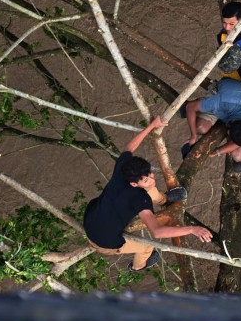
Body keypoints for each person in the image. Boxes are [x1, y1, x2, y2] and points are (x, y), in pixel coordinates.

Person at [83, 116, 213, 272]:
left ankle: (164, 199)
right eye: (146, 180)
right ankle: (137, 266)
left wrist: (152, 126)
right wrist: (192, 229)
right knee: (147, 247)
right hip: (103, 242)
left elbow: (129, 148)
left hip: (90, 219)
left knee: (152, 191)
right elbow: (157, 232)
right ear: (133, 184)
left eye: (150, 174)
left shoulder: (123, 169)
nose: (152, 179)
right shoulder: (140, 199)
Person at [184, 78, 241, 173]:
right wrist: (193, 135)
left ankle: (240, 157)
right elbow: (190, 107)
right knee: (200, 128)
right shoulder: (222, 101)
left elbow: (237, 143)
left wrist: (217, 152)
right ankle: (198, 105)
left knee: (237, 154)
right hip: (224, 94)